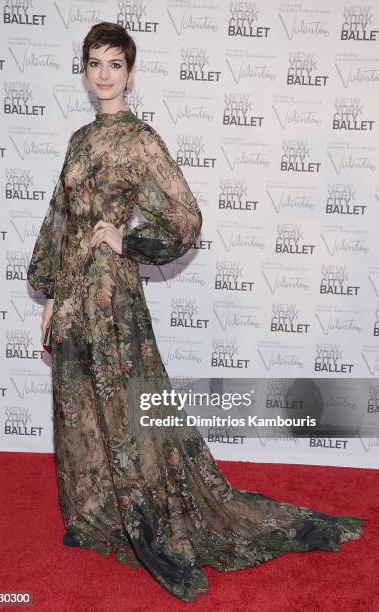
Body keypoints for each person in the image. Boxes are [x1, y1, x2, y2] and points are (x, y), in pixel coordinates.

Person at [27, 22, 366, 603]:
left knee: (127, 412)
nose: (104, 74)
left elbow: (185, 217)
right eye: (94, 63)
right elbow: (60, 218)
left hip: (111, 295)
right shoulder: (79, 140)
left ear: (131, 73)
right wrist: (52, 295)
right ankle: (93, 518)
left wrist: (126, 242)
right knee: (78, 404)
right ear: (84, 72)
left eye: (115, 64)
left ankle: (151, 526)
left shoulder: (140, 140)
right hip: (76, 293)